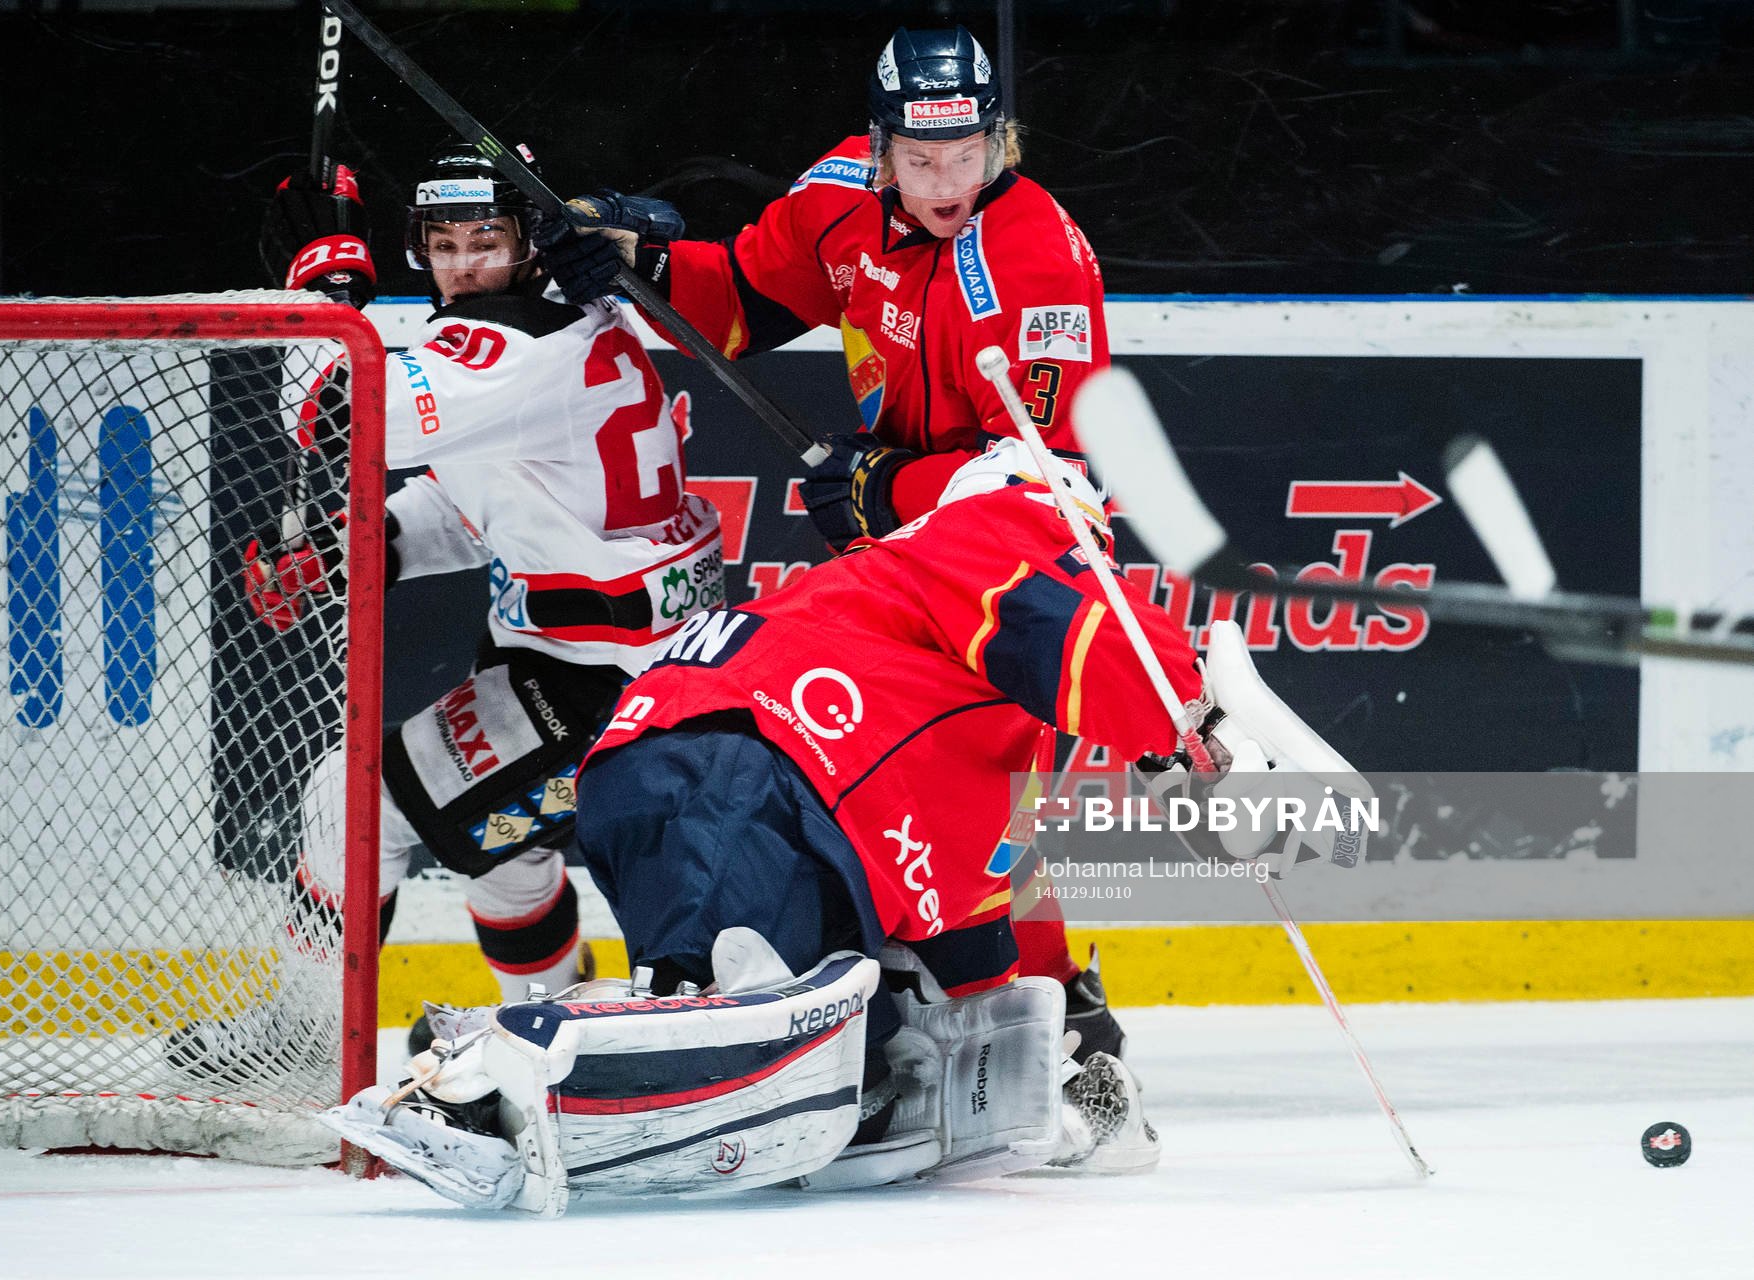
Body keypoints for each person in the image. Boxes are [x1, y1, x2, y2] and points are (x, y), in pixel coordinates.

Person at [321, 438, 1368, 1214]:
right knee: (718, 998)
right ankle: (470, 1065)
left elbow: (983, 889)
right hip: (740, 763)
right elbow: (1084, 632)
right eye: (1087, 538)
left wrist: (1034, 1045)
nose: (1090, 552)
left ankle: (610, 1066)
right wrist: (1192, 735)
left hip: (705, 776)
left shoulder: (953, 683)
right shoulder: (994, 530)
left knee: (794, 1035)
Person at [534, 24, 1121, 1061]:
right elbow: (740, 300)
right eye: (921, 158)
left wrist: (886, 483)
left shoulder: (1039, 259)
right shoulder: (838, 198)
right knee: (862, 761)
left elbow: (1049, 474)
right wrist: (637, 263)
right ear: (881, 144)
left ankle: (1064, 1013)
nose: (946, 182)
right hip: (892, 554)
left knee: (986, 779)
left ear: (1000, 142)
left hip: (1013, 549)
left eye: (967, 154)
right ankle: (887, 998)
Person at [166, 144, 723, 1079]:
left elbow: (346, 415)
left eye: (488, 239)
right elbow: (491, 499)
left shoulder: (509, 347)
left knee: (353, 799)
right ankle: (547, 1032)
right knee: (507, 852)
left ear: (532, 243)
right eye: (443, 242)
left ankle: (303, 1040)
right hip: (608, 659)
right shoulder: (571, 323)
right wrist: (352, 547)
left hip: (609, 684)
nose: (464, 265)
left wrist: (324, 299)